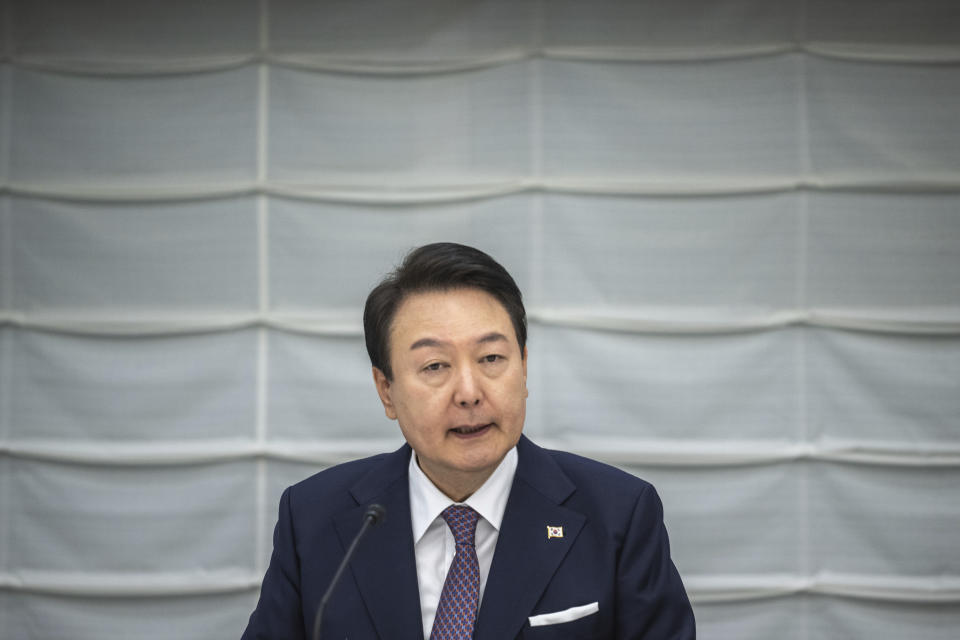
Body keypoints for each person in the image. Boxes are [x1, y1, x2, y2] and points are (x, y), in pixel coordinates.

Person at [242, 242, 695, 639]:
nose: (469, 392)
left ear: (524, 368)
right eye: (435, 366)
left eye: (491, 358)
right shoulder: (315, 519)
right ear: (387, 390)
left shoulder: (619, 515)